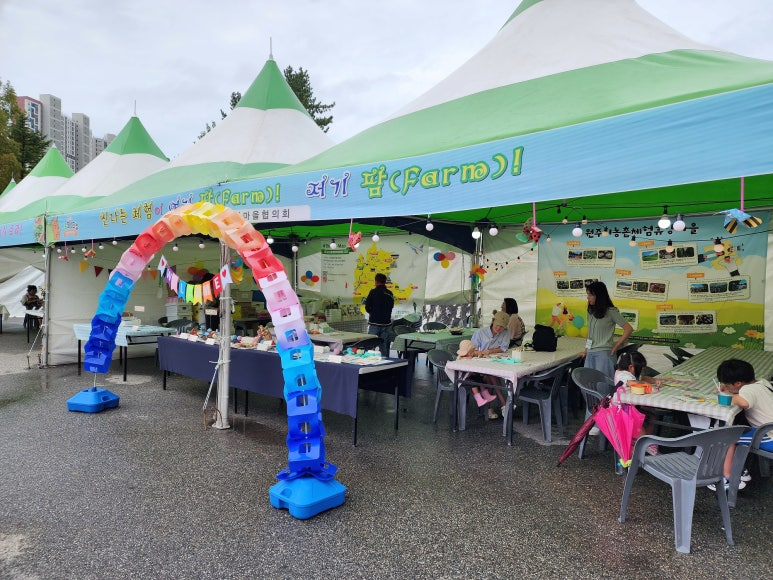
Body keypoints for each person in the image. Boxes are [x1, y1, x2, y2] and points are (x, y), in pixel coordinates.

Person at [710, 359, 773, 492]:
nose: (726, 386)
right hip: (769, 430)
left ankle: (726, 477)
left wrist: (726, 395)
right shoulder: (762, 382)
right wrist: (730, 390)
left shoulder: (747, 390)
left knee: (726, 437)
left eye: (727, 384)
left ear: (738, 383)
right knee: (737, 430)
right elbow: (747, 395)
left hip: (769, 436)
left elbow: (744, 402)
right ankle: (738, 468)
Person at [581, 281, 633, 379]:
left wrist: (616, 346)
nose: (588, 297)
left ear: (599, 296)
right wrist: (586, 350)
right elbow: (590, 334)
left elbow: (628, 329)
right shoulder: (590, 312)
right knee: (588, 382)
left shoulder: (611, 311)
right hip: (590, 353)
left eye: (590, 295)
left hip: (604, 354)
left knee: (603, 384)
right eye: (587, 294)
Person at [614, 351, 662, 456]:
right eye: (640, 369)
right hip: (620, 410)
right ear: (631, 367)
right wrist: (646, 385)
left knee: (651, 416)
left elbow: (642, 378)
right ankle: (646, 443)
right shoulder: (622, 374)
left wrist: (654, 380)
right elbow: (633, 383)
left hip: (631, 407)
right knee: (637, 420)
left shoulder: (630, 373)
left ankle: (645, 442)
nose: (641, 372)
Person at [467, 310, 511, 419]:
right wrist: (480, 353)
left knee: (491, 374)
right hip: (478, 367)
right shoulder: (480, 333)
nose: (499, 328)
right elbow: (472, 350)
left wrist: (490, 351)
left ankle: (489, 408)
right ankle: (503, 404)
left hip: (493, 363)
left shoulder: (505, 332)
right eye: (497, 325)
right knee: (490, 374)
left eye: (502, 327)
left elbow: (503, 348)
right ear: (493, 321)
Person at [364, 273, 394, 356]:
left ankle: (369, 362)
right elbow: (391, 307)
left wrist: (373, 313)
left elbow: (367, 307)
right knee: (384, 346)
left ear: (376, 281)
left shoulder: (373, 292)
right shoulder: (390, 293)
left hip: (375, 323)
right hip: (386, 324)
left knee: (370, 345)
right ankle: (385, 362)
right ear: (385, 282)